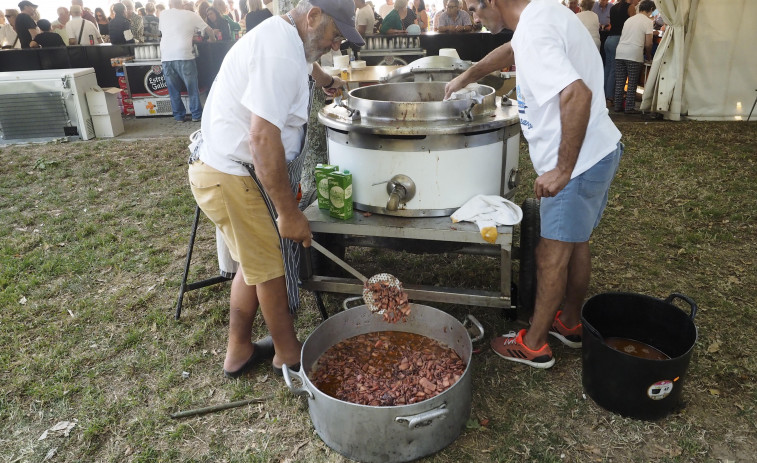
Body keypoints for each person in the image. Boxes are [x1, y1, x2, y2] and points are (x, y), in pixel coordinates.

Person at [187, 0, 359, 378]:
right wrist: (289, 213)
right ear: (313, 16)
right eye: (335, 35)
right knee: (269, 270)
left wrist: (325, 79)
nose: (336, 45)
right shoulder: (279, 49)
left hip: (229, 169)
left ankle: (239, 351)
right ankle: (288, 354)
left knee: (251, 268)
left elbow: (303, 59)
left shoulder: (289, 35)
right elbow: (263, 138)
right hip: (235, 175)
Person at [447, 0, 622, 369]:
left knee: (550, 253)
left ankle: (535, 343)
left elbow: (577, 94)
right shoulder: (541, 13)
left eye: (474, 8)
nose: (474, 17)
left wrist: (562, 170)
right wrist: (468, 75)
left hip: (579, 163)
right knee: (575, 241)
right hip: (599, 149)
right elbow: (514, 48)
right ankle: (570, 321)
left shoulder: (535, 28)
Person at [159, 0, 215, 122]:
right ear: (182, 3)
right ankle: (196, 115)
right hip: (184, 54)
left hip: (166, 56)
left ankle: (179, 116)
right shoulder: (191, 15)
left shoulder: (163, 14)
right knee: (192, 88)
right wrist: (212, 39)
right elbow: (209, 30)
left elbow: (167, 32)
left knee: (173, 90)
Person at [614, 0, 654, 114]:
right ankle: (629, 107)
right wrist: (648, 54)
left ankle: (617, 106)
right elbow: (649, 43)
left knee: (620, 81)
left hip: (620, 52)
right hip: (634, 53)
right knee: (632, 82)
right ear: (650, 9)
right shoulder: (648, 22)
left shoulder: (629, 19)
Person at [604, 0, 638, 101]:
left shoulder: (614, 7)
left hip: (609, 39)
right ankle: (610, 96)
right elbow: (633, 24)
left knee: (608, 67)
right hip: (619, 39)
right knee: (614, 69)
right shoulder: (630, 7)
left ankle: (604, 93)